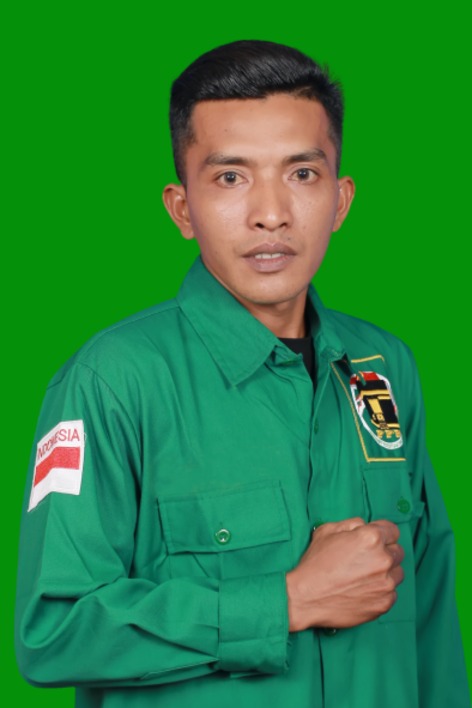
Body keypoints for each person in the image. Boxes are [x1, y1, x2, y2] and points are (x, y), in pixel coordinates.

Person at [15, 40, 469, 708]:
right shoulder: (111, 381)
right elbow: (54, 633)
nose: (271, 213)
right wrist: (289, 600)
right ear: (181, 208)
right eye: (231, 177)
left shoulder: (383, 366)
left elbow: (430, 610)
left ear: (341, 199)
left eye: (302, 173)